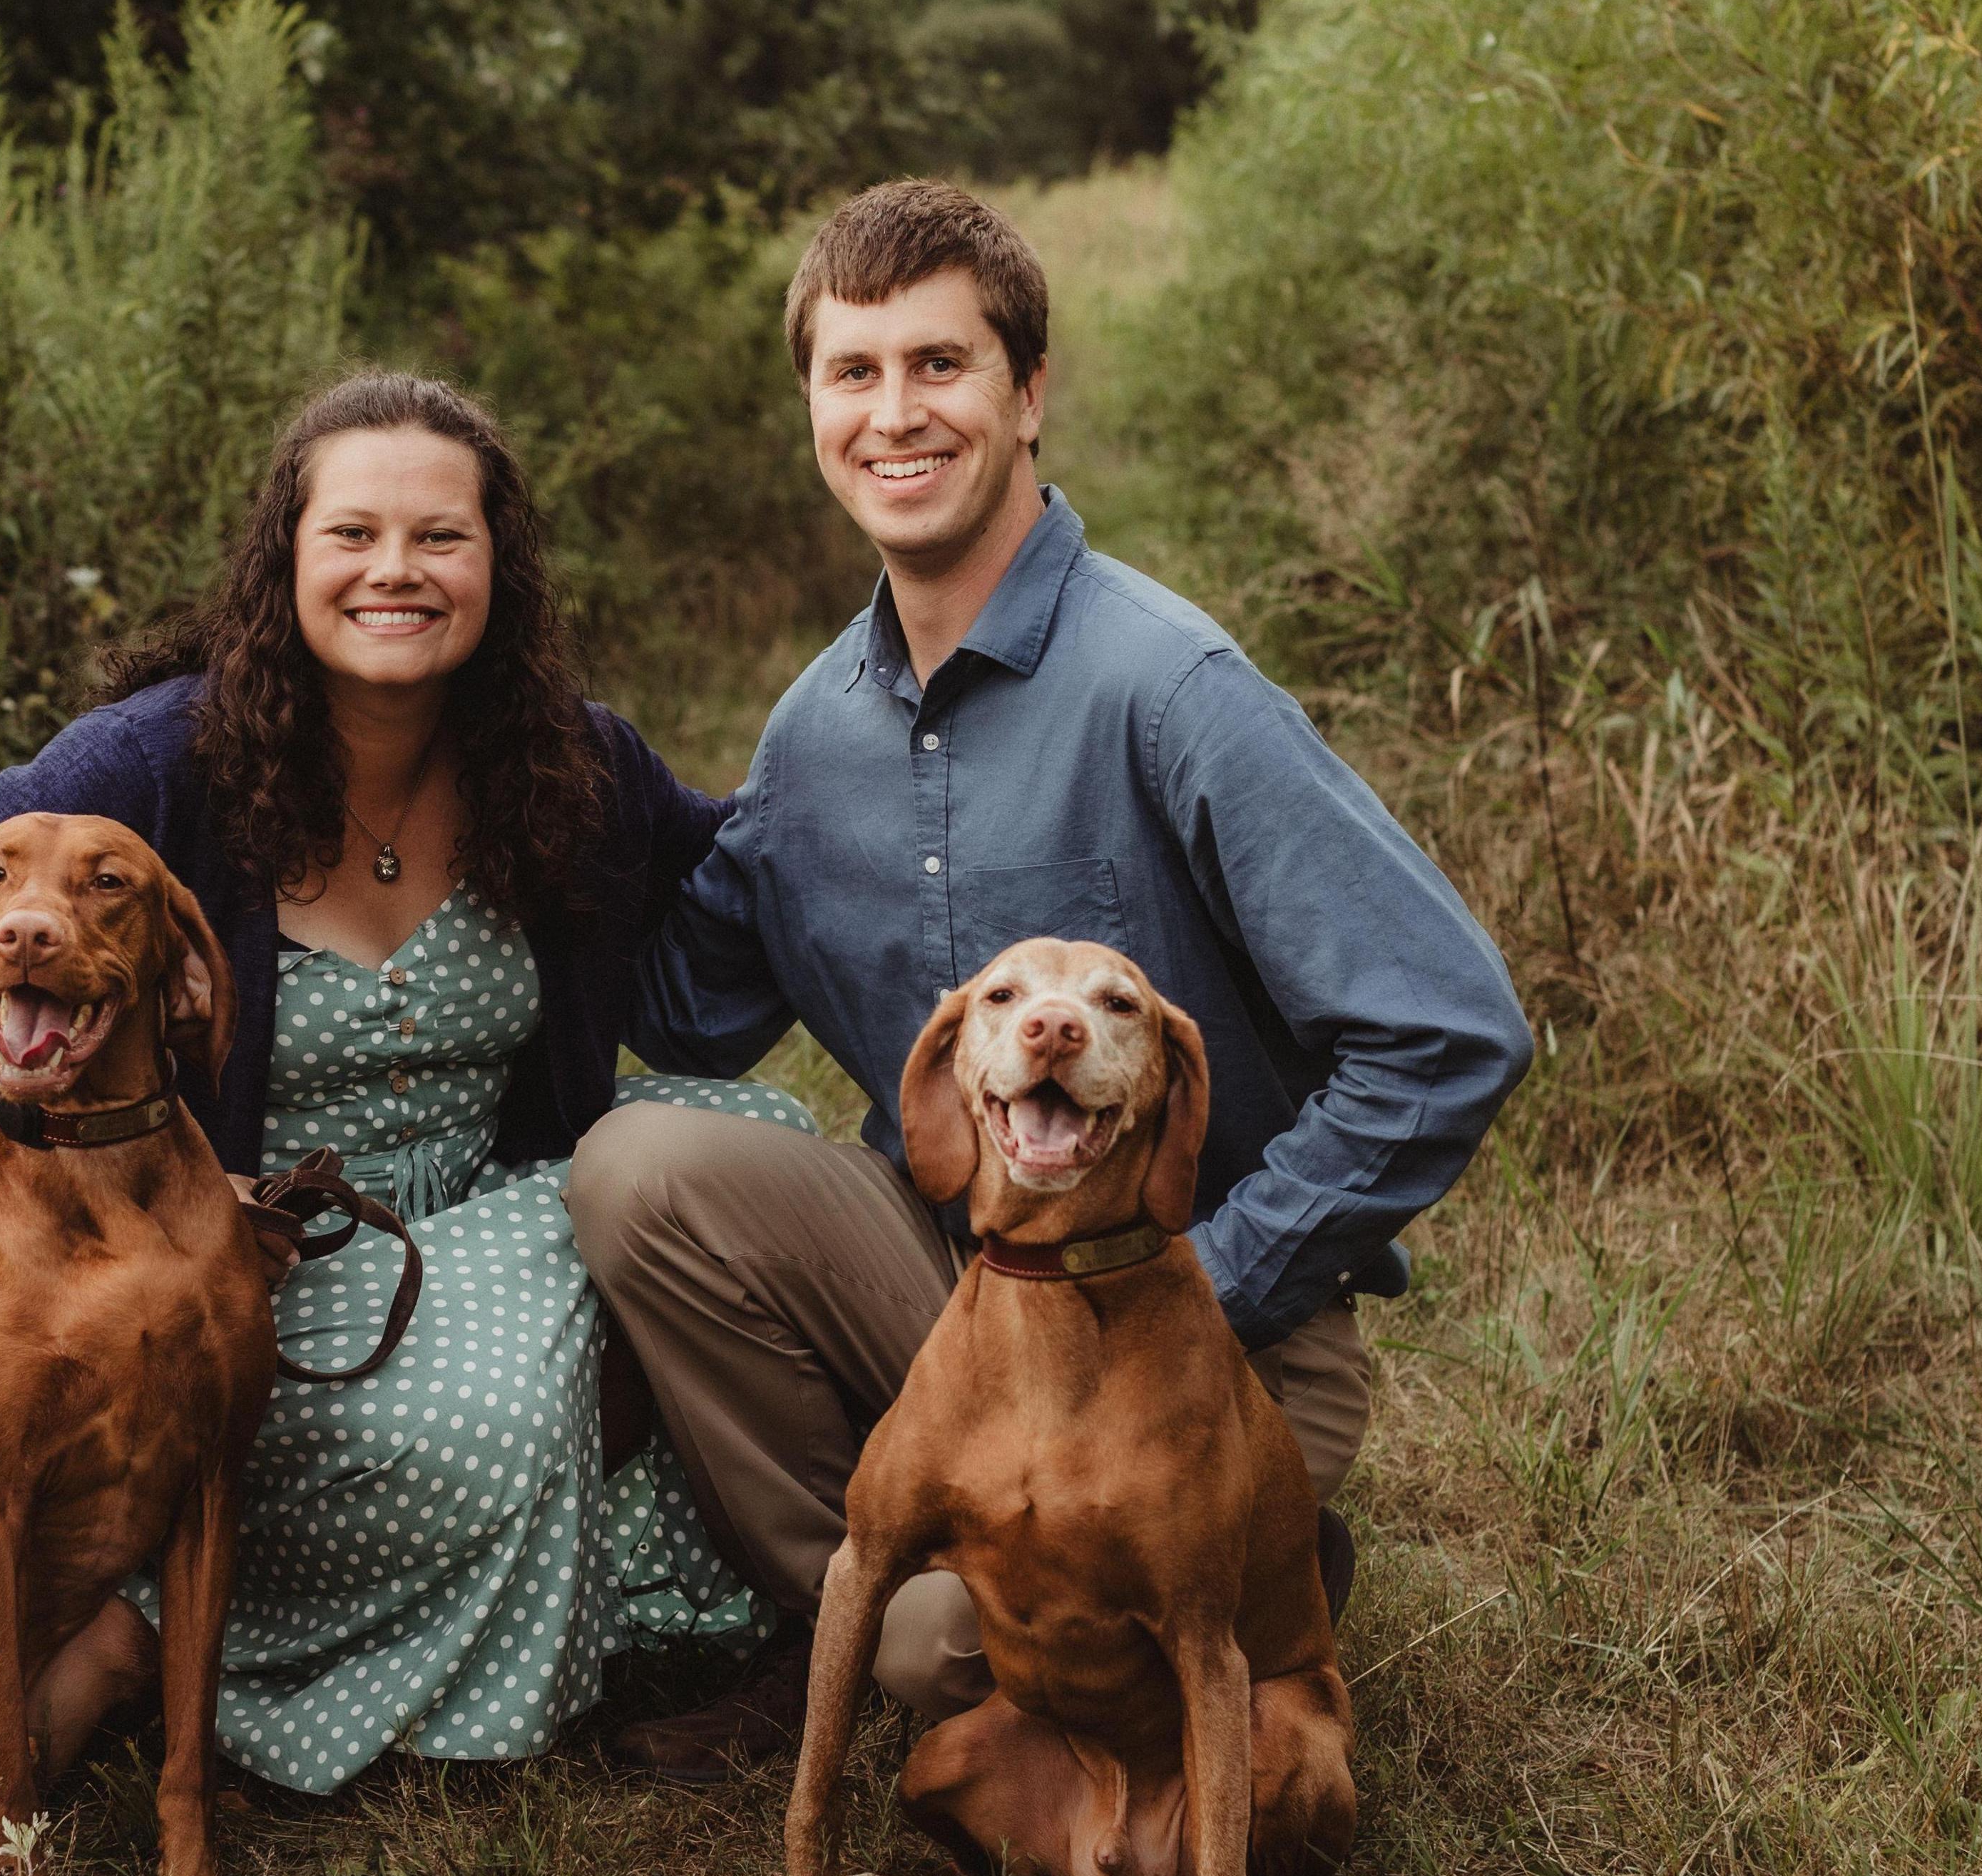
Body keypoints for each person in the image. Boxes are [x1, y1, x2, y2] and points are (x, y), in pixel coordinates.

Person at [566, 180, 1534, 1782]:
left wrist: (1215, 1278)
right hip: (963, 1292)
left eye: (939, 365)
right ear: (813, 410)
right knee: (639, 1169)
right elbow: (685, 1010)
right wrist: (511, 784)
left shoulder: (1170, 686)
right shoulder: (814, 735)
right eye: (854, 372)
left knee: (948, 1654)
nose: (895, 413)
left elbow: (1450, 1030)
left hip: (1203, 1327)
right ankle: (830, 1614)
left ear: (1028, 394)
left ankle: (1195, 1571)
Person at [0, 370, 797, 1794]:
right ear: (285, 559)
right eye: (352, 533)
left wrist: (892, 783)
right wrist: (178, 1195)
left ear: (499, 567)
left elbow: (746, 875)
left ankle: (776, 1582)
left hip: (496, 1210)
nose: (395, 570)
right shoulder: (138, 773)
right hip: (234, 1272)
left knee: (750, 1147)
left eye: (441, 537)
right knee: (488, 1417)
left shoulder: (568, 762)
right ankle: (203, 1651)